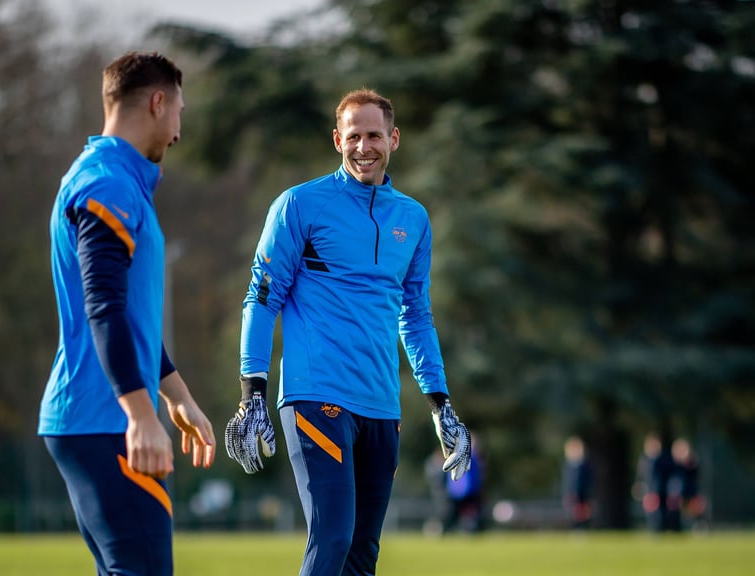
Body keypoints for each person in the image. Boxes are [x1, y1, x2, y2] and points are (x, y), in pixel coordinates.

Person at [224, 88, 472, 575]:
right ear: (337, 139)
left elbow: (416, 317)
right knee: (332, 538)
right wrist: (251, 393)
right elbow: (261, 298)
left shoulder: (414, 219)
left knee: (363, 555)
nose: (364, 147)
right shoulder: (299, 204)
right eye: (353, 136)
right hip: (316, 396)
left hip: (381, 405)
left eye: (374, 135)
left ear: (394, 139)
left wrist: (441, 405)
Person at [39, 51, 216, 576]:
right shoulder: (108, 184)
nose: (179, 131)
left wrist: (177, 398)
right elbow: (104, 307)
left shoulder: (113, 177)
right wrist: (140, 416)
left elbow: (131, 317)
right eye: (180, 111)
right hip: (104, 419)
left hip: (95, 417)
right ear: (158, 103)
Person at [636, 432, 679, 533]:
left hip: (661, 489)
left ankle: (663, 529)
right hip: (649, 490)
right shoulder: (644, 460)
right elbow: (641, 476)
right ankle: (654, 530)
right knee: (651, 512)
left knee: (663, 511)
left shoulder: (664, 459)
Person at [442, 437, 485, 534]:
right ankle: (445, 530)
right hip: (460, 491)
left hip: (466, 491)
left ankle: (468, 530)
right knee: (454, 514)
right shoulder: (466, 457)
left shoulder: (472, 457)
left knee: (469, 513)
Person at [671, 437, 707, 531]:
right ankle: (676, 528)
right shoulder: (675, 464)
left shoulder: (693, 462)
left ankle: (699, 526)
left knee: (695, 509)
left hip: (691, 490)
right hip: (679, 491)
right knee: (677, 509)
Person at [561, 436, 593, 530]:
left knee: (583, 513)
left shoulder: (584, 465)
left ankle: (583, 528)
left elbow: (588, 480)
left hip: (583, 493)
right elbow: (566, 481)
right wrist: (567, 492)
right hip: (571, 493)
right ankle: (575, 528)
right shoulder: (567, 465)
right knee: (573, 512)